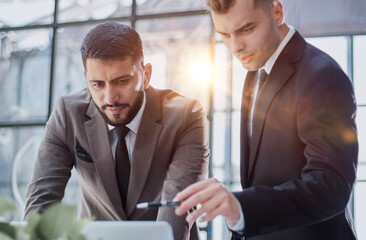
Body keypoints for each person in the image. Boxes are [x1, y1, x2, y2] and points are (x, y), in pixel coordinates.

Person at [174, 0, 358, 239]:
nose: (235, 46)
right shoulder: (256, 70)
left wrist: (241, 207)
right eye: (224, 34)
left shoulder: (322, 76)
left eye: (246, 30)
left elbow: (331, 186)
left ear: (277, 12)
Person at [24, 22, 209, 240]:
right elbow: (41, 201)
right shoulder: (67, 114)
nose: (110, 98)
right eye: (98, 84)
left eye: (122, 81)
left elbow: (177, 205)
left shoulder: (185, 116)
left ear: (146, 74)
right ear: (86, 78)